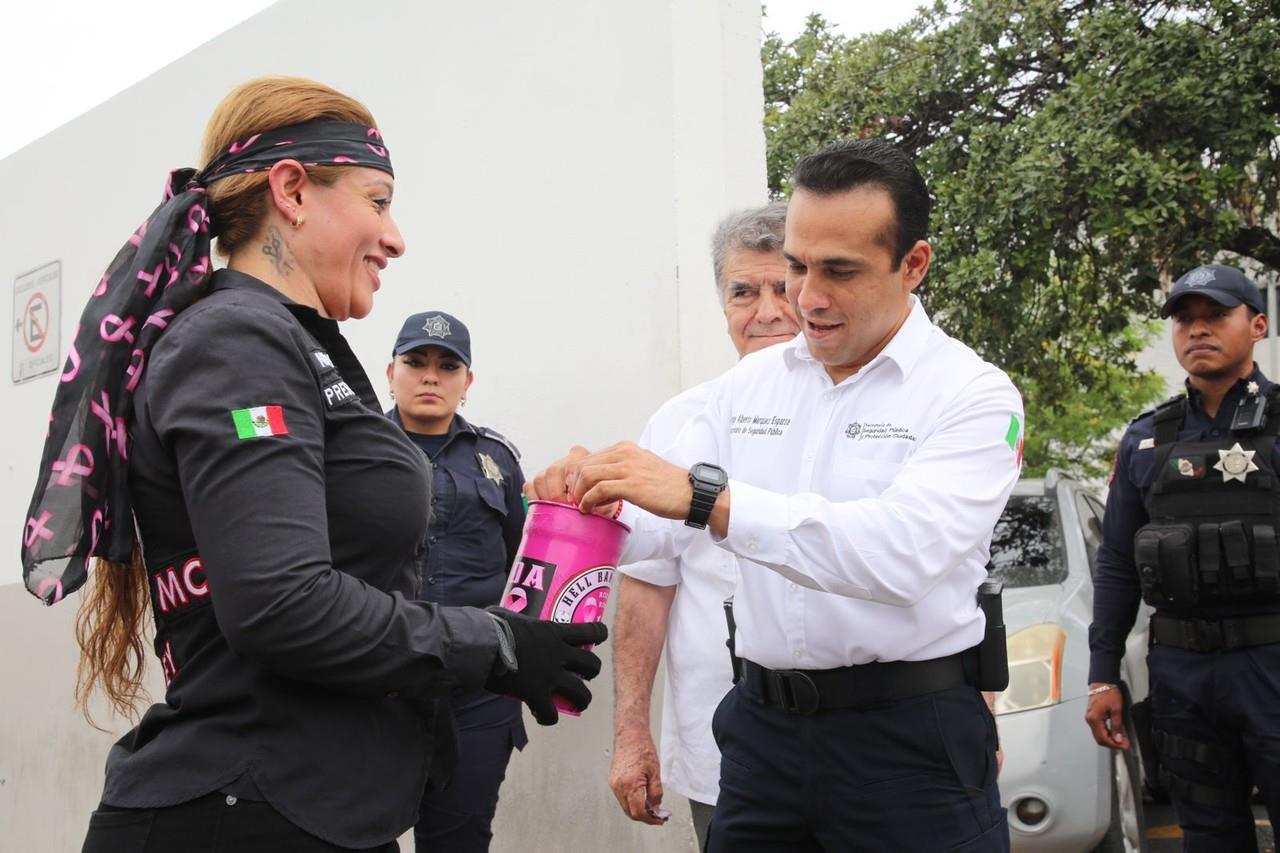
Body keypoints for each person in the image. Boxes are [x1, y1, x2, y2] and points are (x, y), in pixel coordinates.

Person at [19, 76, 604, 853]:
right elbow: (281, 603)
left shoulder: (288, 340)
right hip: (242, 810)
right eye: (378, 199)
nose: (396, 237)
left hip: (310, 808)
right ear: (292, 190)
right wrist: (490, 643)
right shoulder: (237, 340)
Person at [530, 138, 1022, 851]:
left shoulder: (973, 395)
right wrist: (587, 503)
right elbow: (654, 539)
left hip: (907, 739)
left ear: (914, 264)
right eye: (796, 265)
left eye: (840, 271)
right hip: (761, 735)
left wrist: (707, 498)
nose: (806, 297)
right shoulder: (746, 390)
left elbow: (900, 552)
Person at [609, 201, 799, 849]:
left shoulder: (870, 416)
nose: (767, 310)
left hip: (865, 751)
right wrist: (631, 731)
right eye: (743, 291)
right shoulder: (680, 424)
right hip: (724, 751)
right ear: (724, 309)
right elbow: (647, 582)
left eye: (784, 286)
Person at [1086, 264, 1280, 851]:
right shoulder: (1146, 438)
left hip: (1272, 664)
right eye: (1184, 320)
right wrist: (1102, 675)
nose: (1197, 330)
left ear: (1258, 325)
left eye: (1216, 316)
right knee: (1209, 836)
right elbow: (1117, 560)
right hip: (1183, 674)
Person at [386, 310, 527, 852]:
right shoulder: (353, 453)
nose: (430, 377)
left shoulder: (497, 459)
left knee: (460, 841)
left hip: (477, 691)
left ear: (467, 383)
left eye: (448, 366)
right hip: (378, 686)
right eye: (415, 362)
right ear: (390, 371)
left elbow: (523, 566)